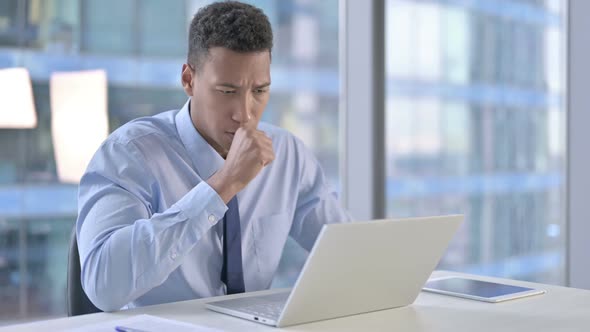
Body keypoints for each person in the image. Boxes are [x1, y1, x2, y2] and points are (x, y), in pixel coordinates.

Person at [76, 1, 351, 312]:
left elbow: (347, 252)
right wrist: (223, 184)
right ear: (189, 80)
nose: (245, 114)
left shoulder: (288, 155)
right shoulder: (128, 153)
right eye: (227, 91)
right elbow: (103, 287)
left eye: (259, 91)